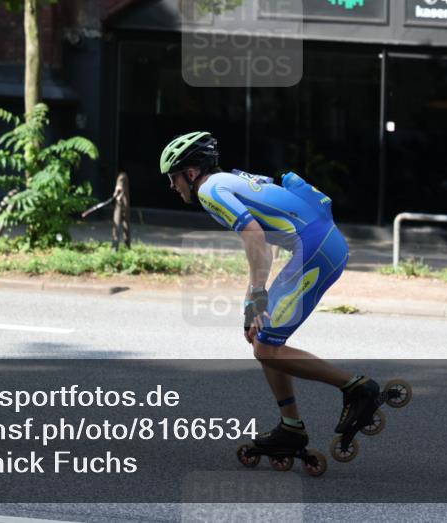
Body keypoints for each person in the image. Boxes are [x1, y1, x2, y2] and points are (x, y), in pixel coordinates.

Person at [159, 131, 388, 461]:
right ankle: (291, 426)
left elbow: (256, 239)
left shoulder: (209, 191)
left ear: (190, 173)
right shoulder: (227, 180)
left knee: (266, 346)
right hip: (318, 245)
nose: (172, 186)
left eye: (173, 178)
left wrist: (258, 297)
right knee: (261, 340)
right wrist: (251, 304)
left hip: (314, 250)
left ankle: (357, 388)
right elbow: (261, 243)